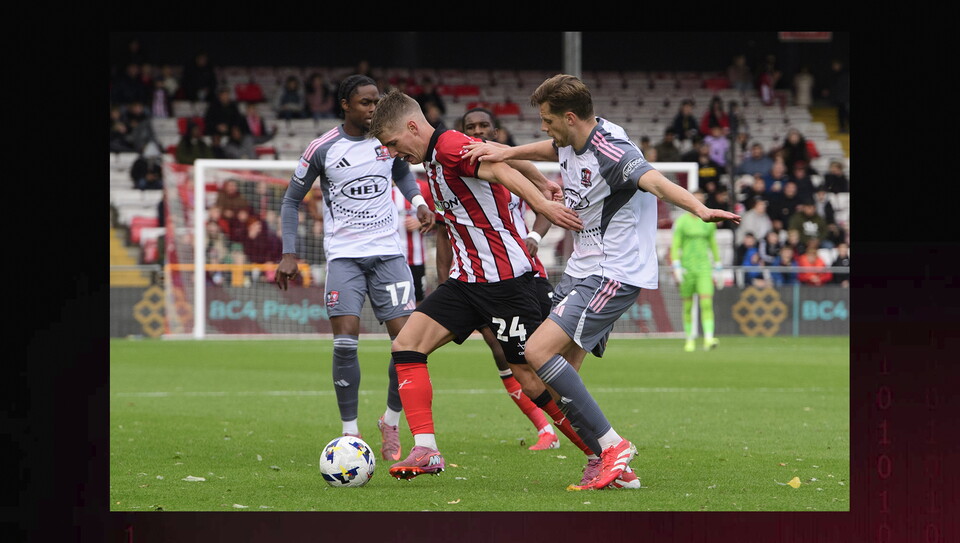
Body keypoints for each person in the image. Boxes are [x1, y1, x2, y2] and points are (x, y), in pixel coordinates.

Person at [461, 74, 740, 489]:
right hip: (583, 267)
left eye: (547, 119)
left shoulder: (613, 150)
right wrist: (506, 150)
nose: (543, 127)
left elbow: (655, 181)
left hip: (614, 271)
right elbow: (550, 147)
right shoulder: (575, 139)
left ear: (569, 117)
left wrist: (699, 209)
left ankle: (613, 446)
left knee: (536, 350)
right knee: (557, 377)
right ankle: (611, 467)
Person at [367, 88, 602, 488]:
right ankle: (425, 448)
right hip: (467, 280)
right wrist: (542, 181)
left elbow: (499, 170)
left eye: (392, 143)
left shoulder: (447, 147)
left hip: (508, 281)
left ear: (411, 126)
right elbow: (497, 152)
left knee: (534, 381)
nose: (391, 153)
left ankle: (605, 453)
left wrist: (542, 206)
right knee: (406, 345)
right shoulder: (443, 151)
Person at [274, 75, 437, 464]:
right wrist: (289, 252)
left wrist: (417, 201)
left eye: (376, 102)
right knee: (345, 341)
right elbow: (291, 200)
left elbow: (401, 172)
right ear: (345, 104)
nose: (372, 108)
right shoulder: (323, 148)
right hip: (344, 256)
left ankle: (390, 420)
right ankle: (350, 434)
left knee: (407, 343)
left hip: (388, 255)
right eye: (365, 103)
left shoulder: (387, 142)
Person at [456, 106, 596, 454]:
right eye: (470, 127)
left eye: (484, 125)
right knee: (504, 353)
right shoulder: (455, 174)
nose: (478, 131)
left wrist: (534, 236)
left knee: (547, 351)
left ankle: (583, 426)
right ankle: (549, 428)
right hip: (482, 277)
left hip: (526, 272)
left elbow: (549, 201)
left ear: (496, 130)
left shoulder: (512, 170)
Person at [670, 189, 724, 352]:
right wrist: (676, 265)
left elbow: (713, 244)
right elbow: (675, 245)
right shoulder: (681, 222)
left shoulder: (709, 222)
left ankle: (708, 338)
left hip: (704, 268)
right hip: (687, 268)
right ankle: (689, 339)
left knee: (706, 303)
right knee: (687, 306)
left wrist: (718, 265)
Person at [823, 59, 850, 133]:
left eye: (835, 65)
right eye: (833, 66)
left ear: (839, 65)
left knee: (845, 113)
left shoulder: (844, 74)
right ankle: (842, 128)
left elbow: (841, 86)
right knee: (841, 114)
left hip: (845, 98)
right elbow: (835, 86)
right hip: (841, 98)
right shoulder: (836, 74)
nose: (834, 67)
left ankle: (843, 128)